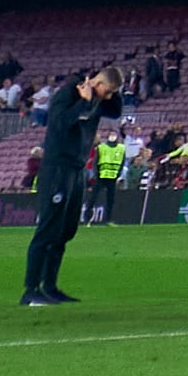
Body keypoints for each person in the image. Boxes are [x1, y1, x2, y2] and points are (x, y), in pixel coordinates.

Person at [23, 65, 116, 306]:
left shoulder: (99, 98)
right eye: (108, 91)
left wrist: (108, 94)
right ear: (99, 85)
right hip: (57, 168)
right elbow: (60, 123)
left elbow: (115, 111)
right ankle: (31, 290)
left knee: (66, 230)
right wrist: (83, 103)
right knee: (48, 227)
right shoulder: (67, 94)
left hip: (76, 170)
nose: (108, 98)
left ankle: (50, 286)